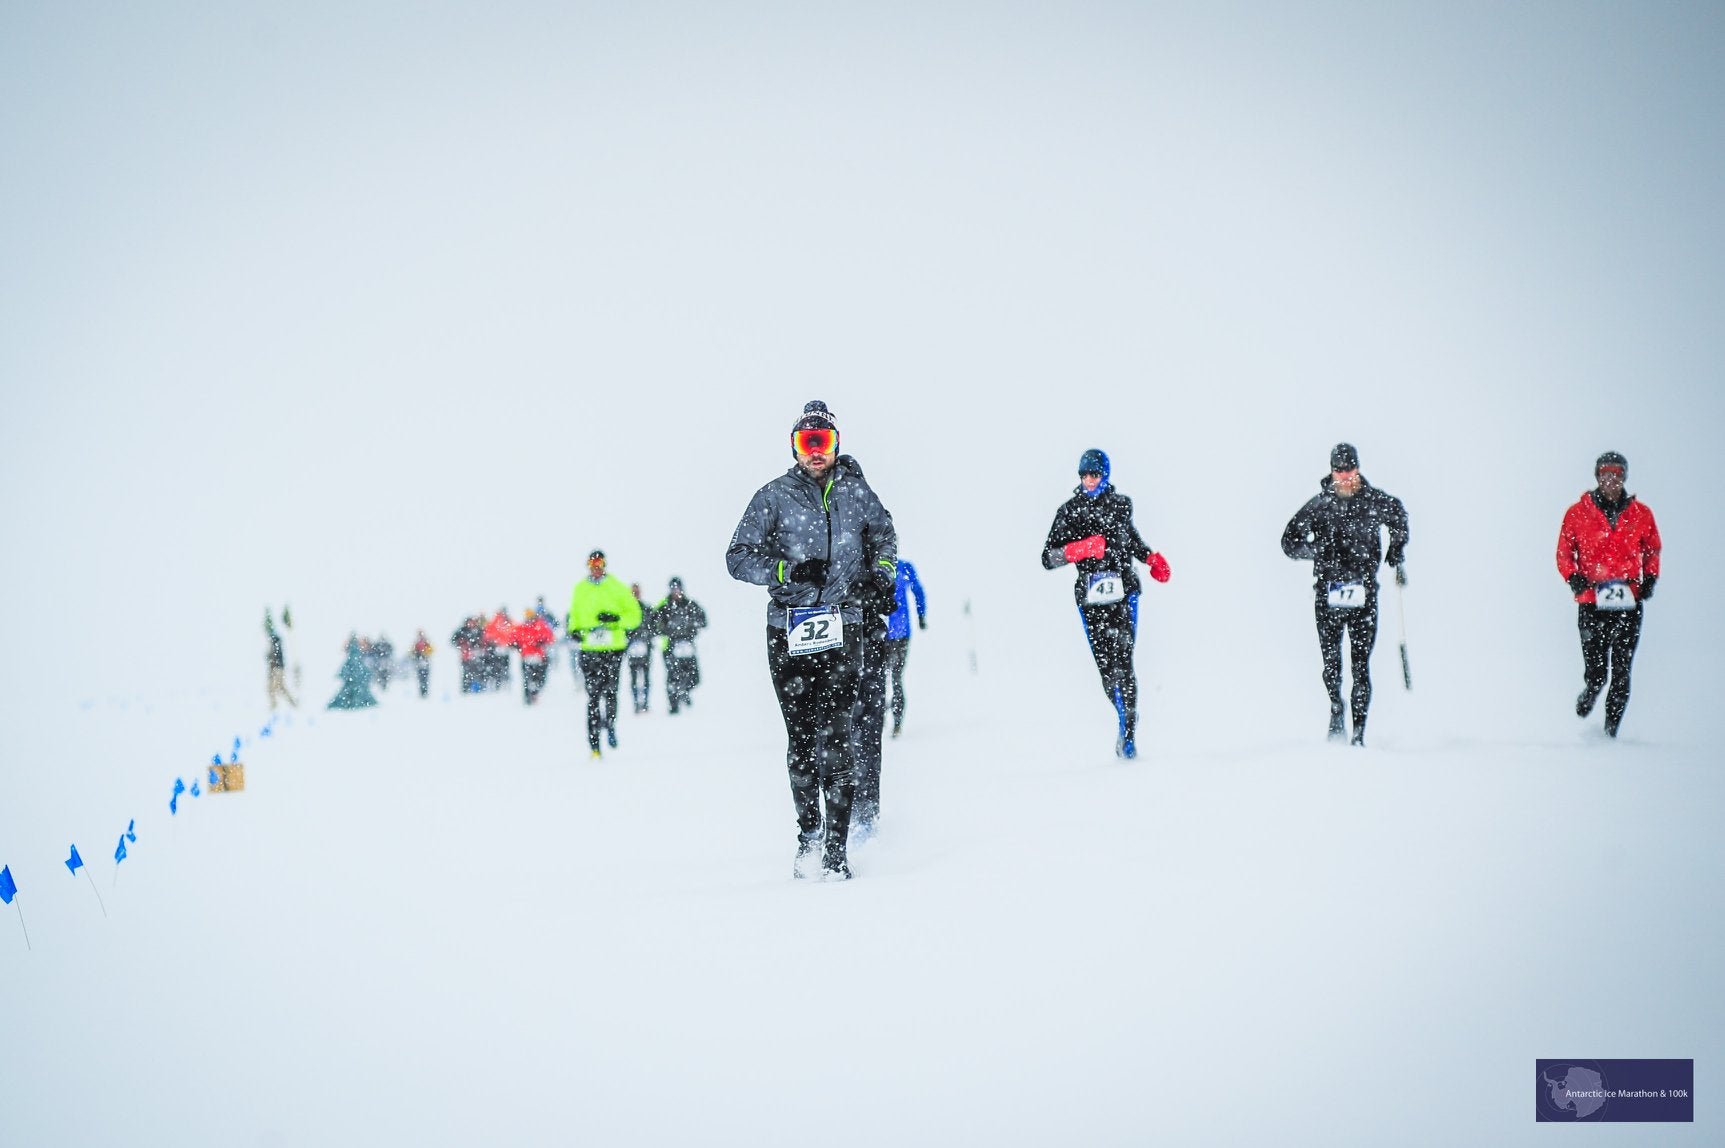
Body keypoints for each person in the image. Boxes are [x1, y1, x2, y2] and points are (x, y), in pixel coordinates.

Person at [726, 400, 897, 880]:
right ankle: (810, 835)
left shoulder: (857, 493)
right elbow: (736, 557)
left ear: (836, 445)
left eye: (822, 442)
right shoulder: (773, 496)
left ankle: (837, 850)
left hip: (844, 629)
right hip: (789, 630)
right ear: (795, 448)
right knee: (801, 740)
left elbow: (885, 537)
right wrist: (786, 570)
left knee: (838, 737)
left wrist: (879, 578)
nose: (815, 452)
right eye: (807, 443)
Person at [1041, 448, 1172, 760]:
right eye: (1084, 475)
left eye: (1094, 474)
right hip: (1091, 599)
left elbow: (1130, 539)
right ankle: (1121, 711)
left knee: (1125, 660)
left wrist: (1150, 557)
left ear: (1105, 475)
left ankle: (1128, 727)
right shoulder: (1069, 511)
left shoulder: (1120, 506)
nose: (1089, 480)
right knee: (1107, 671)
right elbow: (1048, 557)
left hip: (1125, 594)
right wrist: (1081, 549)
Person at [1280, 442, 1410, 747]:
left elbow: (1399, 517)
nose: (1345, 477)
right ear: (1332, 471)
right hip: (1328, 596)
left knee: (1360, 665)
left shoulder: (1374, 501)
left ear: (1358, 469)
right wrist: (1315, 552)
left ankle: (1359, 733)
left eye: (1349, 470)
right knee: (1332, 665)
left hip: (1364, 595)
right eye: (1339, 471)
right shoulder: (1320, 505)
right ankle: (1337, 709)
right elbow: (1288, 540)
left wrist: (1395, 551)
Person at [1556, 451, 1661, 738]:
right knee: (1597, 670)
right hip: (1592, 602)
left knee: (1622, 670)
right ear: (1597, 477)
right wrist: (1574, 578)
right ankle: (1591, 690)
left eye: (1616, 475)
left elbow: (1652, 549)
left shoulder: (1641, 515)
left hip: (1628, 600)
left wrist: (1650, 577)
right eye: (1605, 475)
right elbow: (1565, 552)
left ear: (1624, 477)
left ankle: (1610, 733)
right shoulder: (1578, 513)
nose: (1611, 480)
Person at [567, 550, 642, 758]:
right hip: (590, 650)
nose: (596, 567)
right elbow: (573, 616)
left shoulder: (617, 587)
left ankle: (610, 725)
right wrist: (574, 630)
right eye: (592, 564)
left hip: (612, 649)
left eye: (599, 563)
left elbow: (635, 616)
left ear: (605, 565)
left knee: (610, 693)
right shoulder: (580, 589)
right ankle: (594, 745)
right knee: (592, 696)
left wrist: (615, 620)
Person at [849, 551, 897, 839]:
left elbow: (887, 598)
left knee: (866, 729)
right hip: (834, 646)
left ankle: (864, 811)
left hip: (869, 643)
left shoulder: (877, 536)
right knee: (839, 731)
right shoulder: (818, 534)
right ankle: (840, 811)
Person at [882, 558, 927, 738]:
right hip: (879, 633)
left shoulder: (904, 567)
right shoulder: (872, 568)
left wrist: (921, 615)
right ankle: (879, 719)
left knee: (896, 677)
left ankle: (897, 722)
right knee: (878, 678)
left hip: (901, 633)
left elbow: (918, 591)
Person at [512, 606, 556, 706]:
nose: (529, 619)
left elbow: (550, 637)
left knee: (540, 678)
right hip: (526, 657)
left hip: (539, 657)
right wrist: (515, 645)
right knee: (526, 678)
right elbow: (512, 639)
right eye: (527, 617)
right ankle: (528, 698)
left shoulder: (541, 625)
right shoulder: (521, 628)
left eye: (530, 617)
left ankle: (535, 693)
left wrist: (543, 641)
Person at [625, 583, 656, 714]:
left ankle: (645, 702)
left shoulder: (646, 609)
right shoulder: (626, 610)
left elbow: (653, 625)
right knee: (634, 676)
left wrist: (648, 637)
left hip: (645, 646)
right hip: (632, 647)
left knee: (646, 676)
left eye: (636, 592)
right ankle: (636, 702)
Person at [327, 634, 378, 710]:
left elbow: (363, 671)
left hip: (356, 685)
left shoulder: (357, 658)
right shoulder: (358, 658)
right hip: (357, 685)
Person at [265, 610, 298, 710]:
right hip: (276, 668)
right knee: (280, 688)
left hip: (277, 668)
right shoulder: (275, 641)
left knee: (274, 688)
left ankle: (274, 706)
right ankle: (292, 704)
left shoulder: (276, 641)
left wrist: (273, 664)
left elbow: (274, 656)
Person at [410, 630, 434, 699]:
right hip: (419, 664)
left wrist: (424, 652)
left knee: (425, 679)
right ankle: (422, 693)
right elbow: (412, 652)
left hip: (425, 663)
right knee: (421, 679)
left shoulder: (427, 643)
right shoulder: (416, 643)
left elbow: (431, 651)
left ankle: (425, 693)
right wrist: (417, 653)